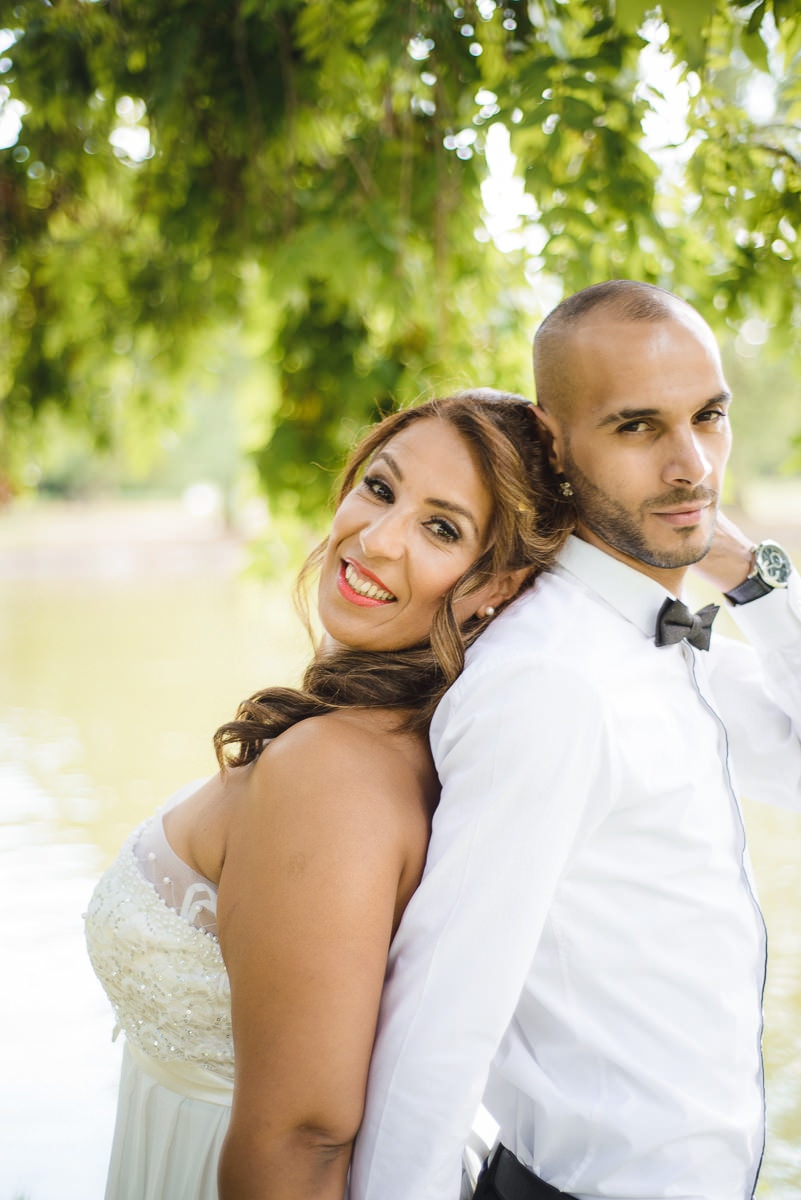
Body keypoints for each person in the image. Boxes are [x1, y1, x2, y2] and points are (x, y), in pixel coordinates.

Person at [349, 281, 801, 1200]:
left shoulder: (649, 637)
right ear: (555, 443)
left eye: (707, 417)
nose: (690, 466)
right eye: (638, 427)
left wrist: (747, 573)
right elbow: (440, 1023)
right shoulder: (552, 681)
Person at [84, 388, 568, 1200]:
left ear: (498, 586)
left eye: (440, 528)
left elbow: (304, 1140)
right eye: (379, 488)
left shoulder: (333, 771)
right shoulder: (385, 732)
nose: (376, 539)